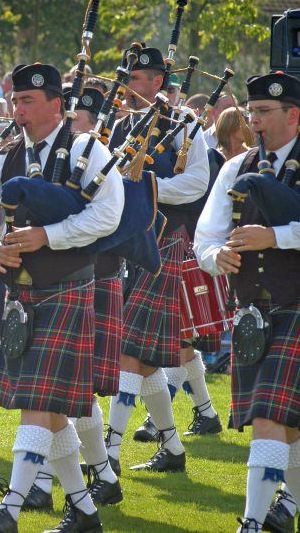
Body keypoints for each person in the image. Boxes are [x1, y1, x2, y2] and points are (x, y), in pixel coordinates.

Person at [0, 62, 123, 532]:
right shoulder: (4, 156)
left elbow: (107, 216)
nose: (18, 109)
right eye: (15, 100)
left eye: (28, 101)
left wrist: (47, 237)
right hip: (21, 295)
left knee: (38, 401)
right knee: (49, 409)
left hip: (68, 287)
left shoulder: (87, 150)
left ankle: (9, 509)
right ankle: (84, 511)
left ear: (57, 104)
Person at [193, 71, 300, 533]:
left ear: (293, 114)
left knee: (269, 416)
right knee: (284, 424)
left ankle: (252, 523)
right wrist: (217, 256)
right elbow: (205, 235)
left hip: (297, 305)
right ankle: (288, 506)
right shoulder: (238, 167)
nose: (253, 121)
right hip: (253, 312)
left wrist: (274, 236)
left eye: (264, 112)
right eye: (252, 112)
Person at [104, 46, 211, 476]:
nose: (130, 85)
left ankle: (107, 457)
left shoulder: (186, 125)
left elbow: (197, 183)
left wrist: (146, 187)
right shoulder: (122, 125)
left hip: (167, 243)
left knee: (132, 350)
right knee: (146, 360)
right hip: (128, 243)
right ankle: (172, 448)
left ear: (159, 83)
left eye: (139, 78)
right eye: (129, 76)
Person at [23, 86, 125, 512]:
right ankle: (87, 478)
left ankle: (58, 481)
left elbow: (118, 218)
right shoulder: (40, 156)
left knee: (72, 391)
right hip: (54, 277)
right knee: (61, 391)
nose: (77, 127)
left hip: (95, 274)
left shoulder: (98, 158)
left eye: (85, 118)